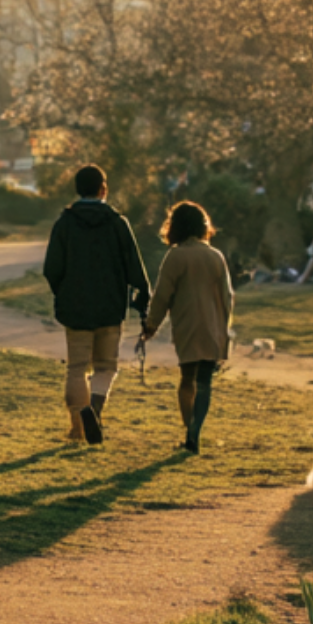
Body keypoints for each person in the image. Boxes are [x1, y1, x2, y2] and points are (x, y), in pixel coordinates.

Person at [42, 164, 151, 445]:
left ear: (77, 189)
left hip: (76, 309)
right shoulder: (117, 223)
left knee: (76, 367)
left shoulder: (65, 223)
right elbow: (134, 267)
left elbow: (51, 268)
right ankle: (94, 411)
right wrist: (142, 296)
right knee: (105, 366)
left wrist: (64, 293)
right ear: (104, 189)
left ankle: (78, 428)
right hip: (110, 307)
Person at [141, 202, 233, 454]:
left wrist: (151, 325)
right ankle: (195, 432)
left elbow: (162, 295)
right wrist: (223, 329)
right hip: (213, 325)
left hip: (187, 325)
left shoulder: (176, 256)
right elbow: (227, 297)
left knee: (187, 379)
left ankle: (189, 431)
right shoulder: (215, 256)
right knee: (204, 382)